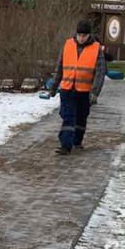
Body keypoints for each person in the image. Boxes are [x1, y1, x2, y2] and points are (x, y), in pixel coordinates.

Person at [48, 18, 106, 155]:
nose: (81, 38)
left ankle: (77, 141)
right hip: (67, 88)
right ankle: (65, 146)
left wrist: (95, 92)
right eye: (79, 35)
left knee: (81, 117)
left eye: (84, 35)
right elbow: (60, 67)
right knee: (68, 117)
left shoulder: (96, 49)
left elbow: (100, 73)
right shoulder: (68, 45)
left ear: (89, 35)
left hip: (85, 91)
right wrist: (53, 87)